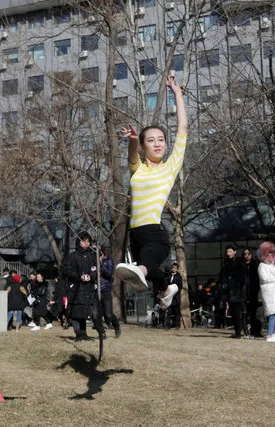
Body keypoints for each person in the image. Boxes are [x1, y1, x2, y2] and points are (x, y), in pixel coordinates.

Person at [115, 75, 188, 310]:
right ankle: (167, 288)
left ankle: (144, 273)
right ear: (144, 146)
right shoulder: (137, 169)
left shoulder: (169, 168)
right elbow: (132, 156)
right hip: (135, 235)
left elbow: (183, 130)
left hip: (155, 234)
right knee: (150, 274)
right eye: (151, 140)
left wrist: (176, 94)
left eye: (161, 140)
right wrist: (133, 140)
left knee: (142, 270)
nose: (158, 144)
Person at [63, 231, 102, 341]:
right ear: (79, 242)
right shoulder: (72, 256)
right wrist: (78, 276)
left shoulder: (93, 255)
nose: (87, 243)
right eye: (84, 241)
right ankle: (78, 334)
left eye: (88, 241)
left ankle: (84, 333)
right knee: (76, 311)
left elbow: (99, 269)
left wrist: (91, 276)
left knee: (85, 311)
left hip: (89, 288)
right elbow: (66, 270)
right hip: (76, 288)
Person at [219, 246, 246, 338]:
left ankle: (239, 332)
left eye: (230, 251)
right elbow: (222, 276)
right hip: (228, 291)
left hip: (236, 290)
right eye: (227, 252)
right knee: (232, 312)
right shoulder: (225, 263)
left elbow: (242, 277)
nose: (228, 253)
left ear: (235, 252)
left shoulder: (239, 262)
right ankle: (237, 331)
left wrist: (236, 284)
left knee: (237, 311)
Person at [99, 248, 121, 338]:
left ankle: (116, 326)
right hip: (96, 291)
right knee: (97, 314)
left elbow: (108, 274)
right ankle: (102, 333)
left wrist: (100, 264)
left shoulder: (109, 262)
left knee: (108, 314)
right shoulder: (93, 262)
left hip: (105, 290)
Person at [242, 248, 260, 338]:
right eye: (245, 254)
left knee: (254, 312)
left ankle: (254, 331)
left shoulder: (255, 265)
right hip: (243, 292)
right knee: (244, 312)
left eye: (248, 254)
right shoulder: (241, 265)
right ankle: (245, 331)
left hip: (254, 291)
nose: (247, 255)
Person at [166, 263, 183, 329]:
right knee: (169, 311)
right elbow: (166, 283)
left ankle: (177, 325)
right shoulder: (169, 275)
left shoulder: (179, 276)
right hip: (170, 296)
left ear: (177, 269)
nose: (174, 269)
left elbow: (180, 286)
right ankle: (167, 325)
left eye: (175, 268)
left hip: (176, 296)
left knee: (177, 311)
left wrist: (175, 291)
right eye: (173, 267)